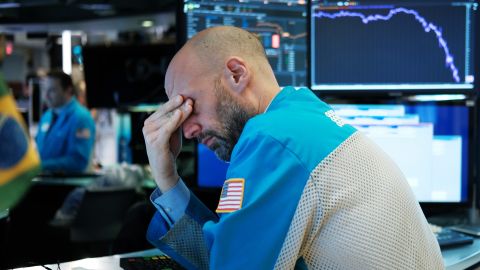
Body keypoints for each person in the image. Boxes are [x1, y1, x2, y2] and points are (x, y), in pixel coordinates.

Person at [142, 26, 444, 269]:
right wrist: (168, 178)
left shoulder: (272, 139)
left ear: (236, 74)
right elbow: (227, 254)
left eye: (190, 106)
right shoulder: (305, 115)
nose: (187, 129)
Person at [35, 70, 95, 173]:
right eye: (45, 90)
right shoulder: (47, 116)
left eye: (52, 90)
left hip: (69, 185)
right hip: (44, 182)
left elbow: (78, 162)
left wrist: (41, 166)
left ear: (68, 90)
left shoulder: (81, 117)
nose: (46, 96)